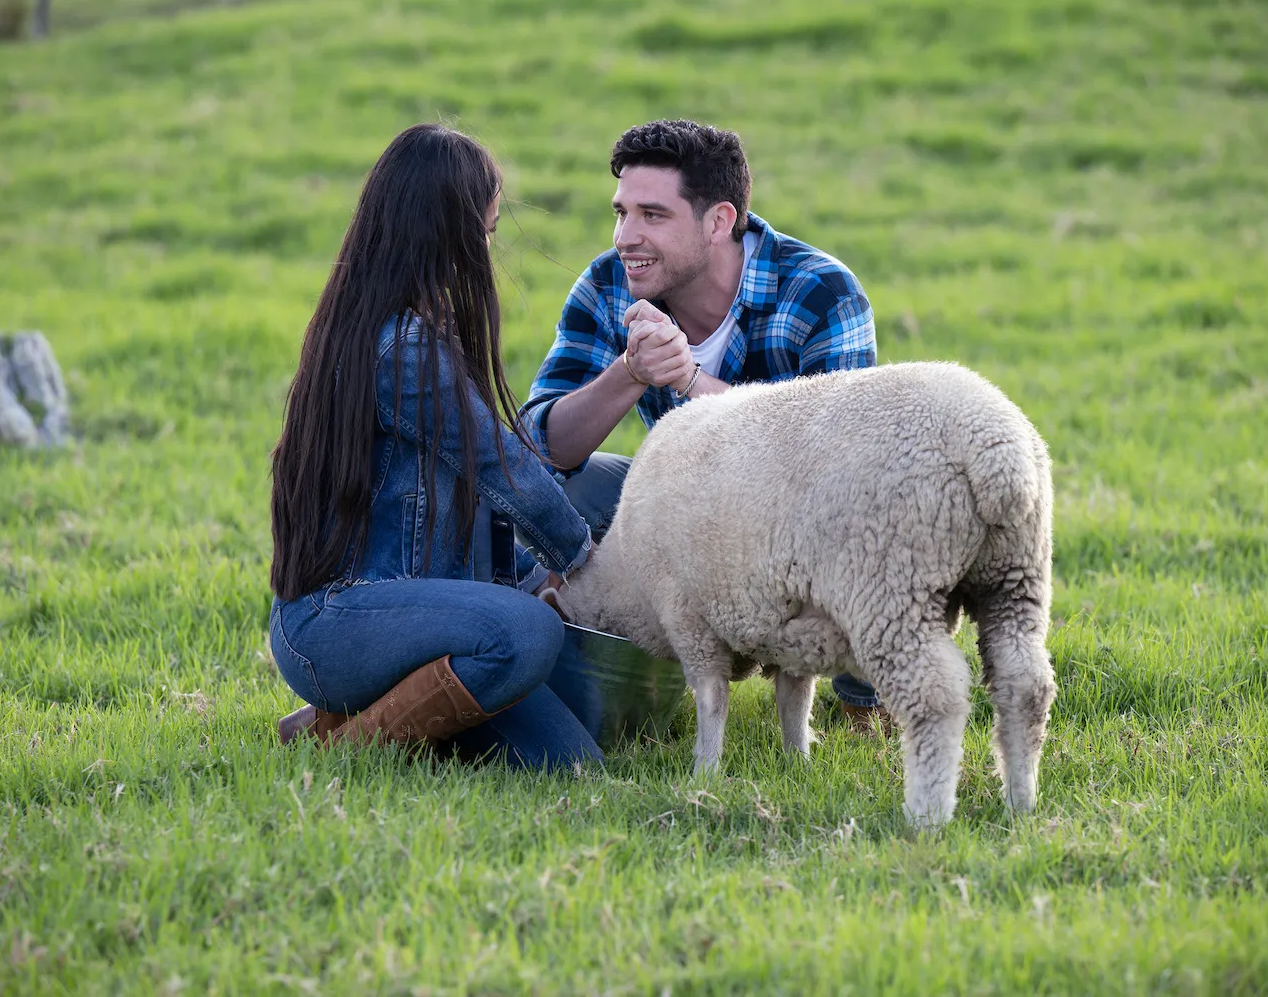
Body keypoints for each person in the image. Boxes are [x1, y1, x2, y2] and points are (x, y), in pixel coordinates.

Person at [520, 119, 891, 732]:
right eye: (621, 213)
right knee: (561, 494)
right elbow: (540, 450)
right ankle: (626, 683)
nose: (626, 237)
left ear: (719, 221)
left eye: (652, 216)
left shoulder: (823, 292)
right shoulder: (608, 284)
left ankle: (865, 702)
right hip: (688, 507)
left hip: (800, 516)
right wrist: (630, 373)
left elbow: (836, 467)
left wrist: (691, 381)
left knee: (874, 515)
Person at [267, 123, 603, 769]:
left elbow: (478, 500)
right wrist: (584, 559)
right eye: (486, 230)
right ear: (448, 231)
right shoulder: (402, 347)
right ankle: (347, 746)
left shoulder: (410, 329)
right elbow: (497, 465)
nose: (487, 249)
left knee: (575, 763)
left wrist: (541, 579)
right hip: (337, 620)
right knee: (529, 631)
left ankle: (356, 718)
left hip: (409, 614)